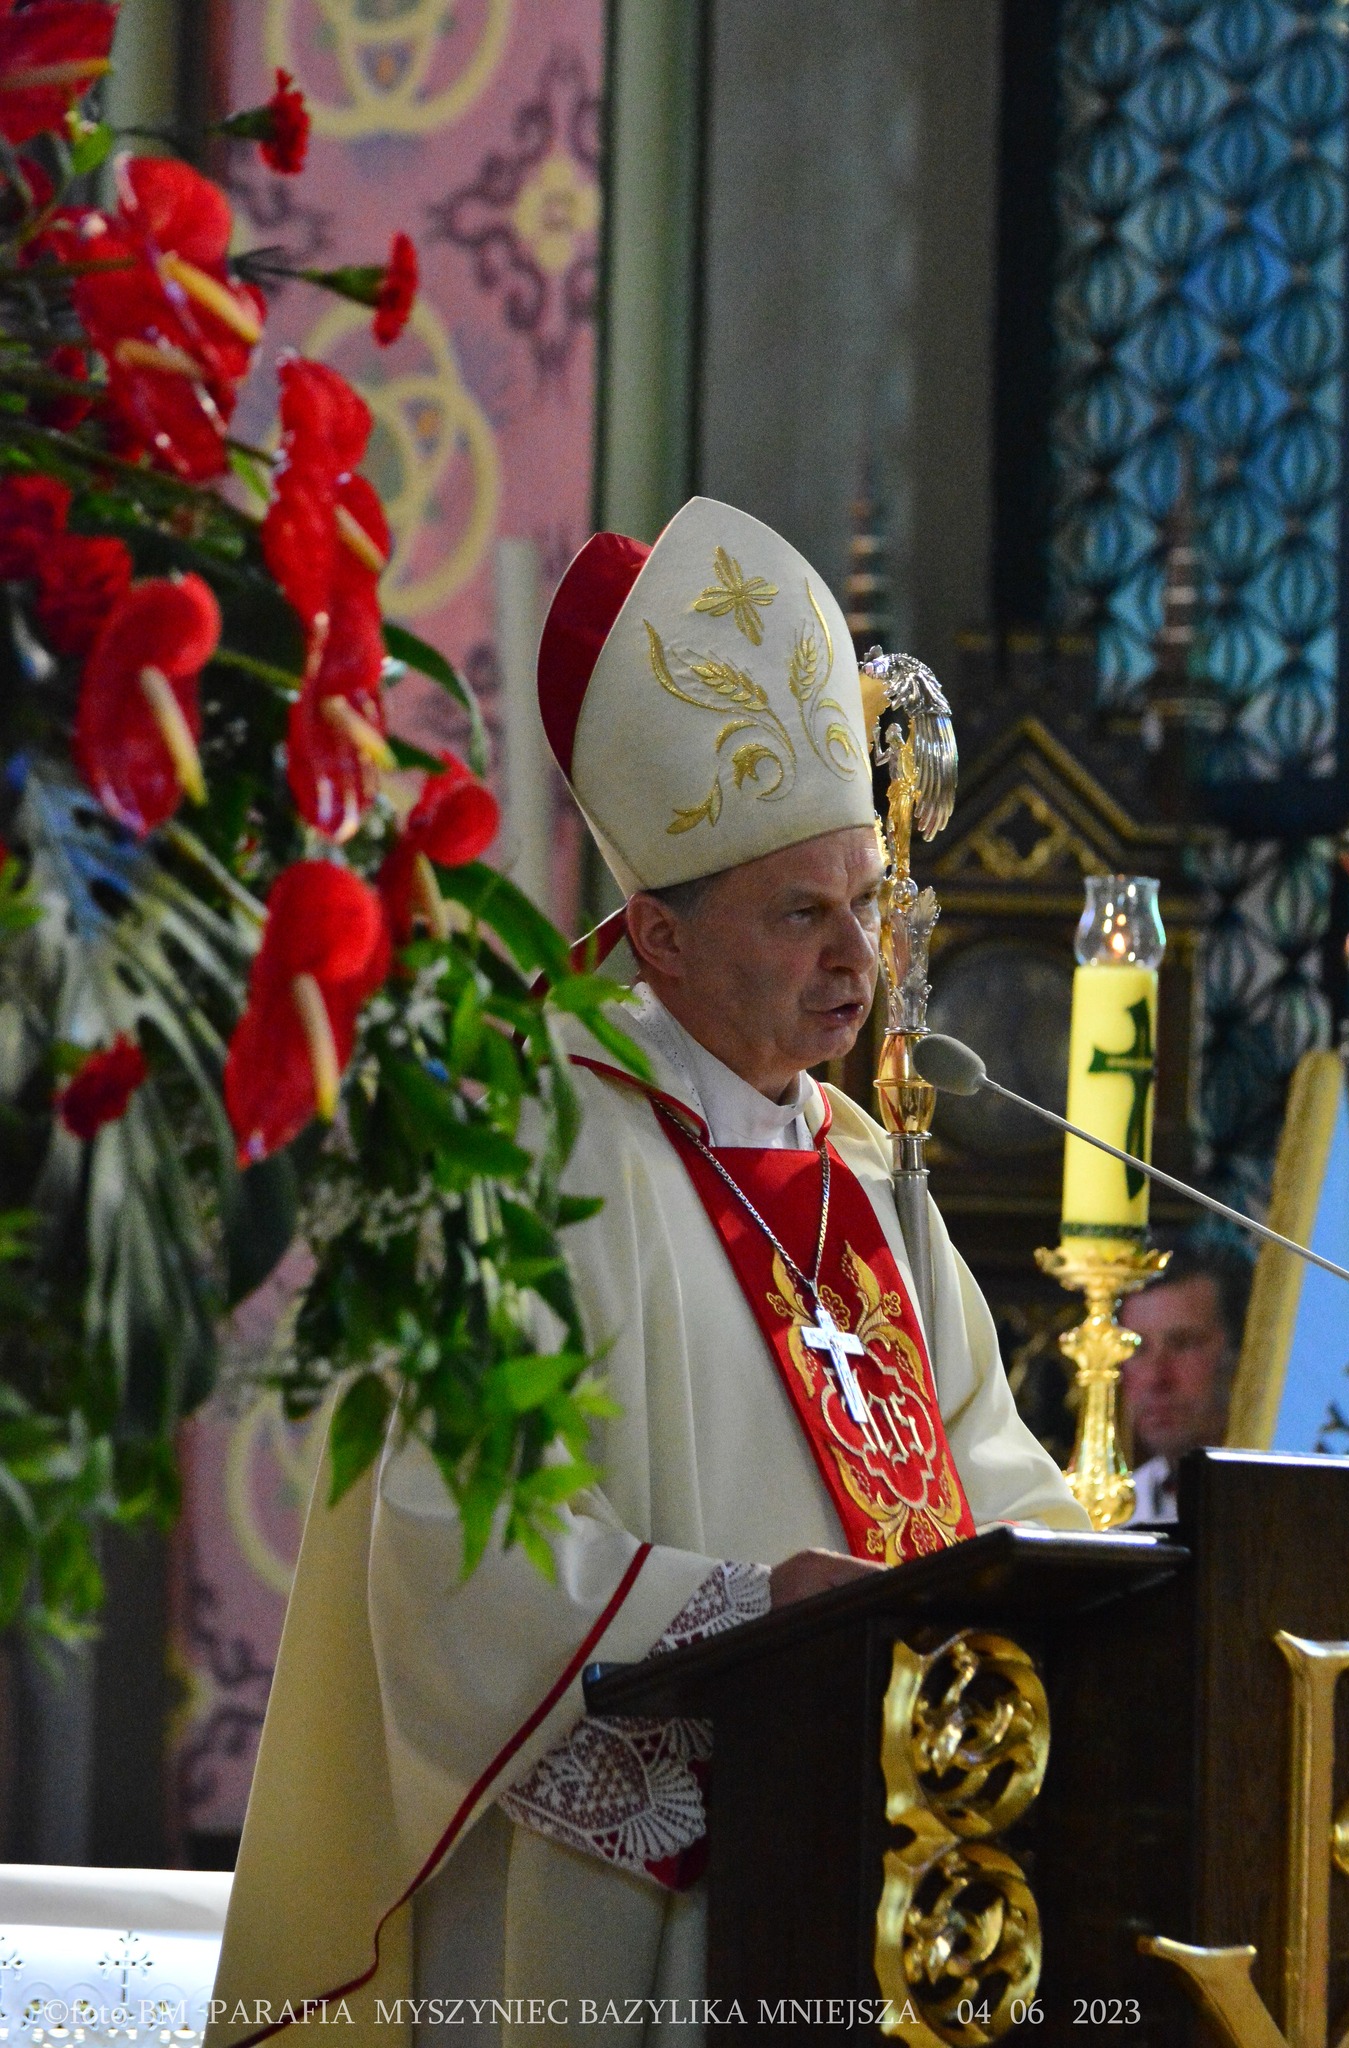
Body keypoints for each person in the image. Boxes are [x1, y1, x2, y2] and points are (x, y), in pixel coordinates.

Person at [208, 497, 1088, 2048]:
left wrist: (1078, 1582)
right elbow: (445, 1550)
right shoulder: (529, 1152)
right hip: (624, 1924)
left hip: (892, 1880)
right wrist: (739, 1613)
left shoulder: (863, 1172)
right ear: (659, 940)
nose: (858, 961)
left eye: (867, 902)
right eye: (802, 915)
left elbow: (988, 1469)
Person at [1118, 1236, 1252, 1523]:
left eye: (1183, 1344)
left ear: (1240, 1356)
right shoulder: (1112, 1514)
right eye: (1138, 1349)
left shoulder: (1290, 1500)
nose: (1156, 1378)